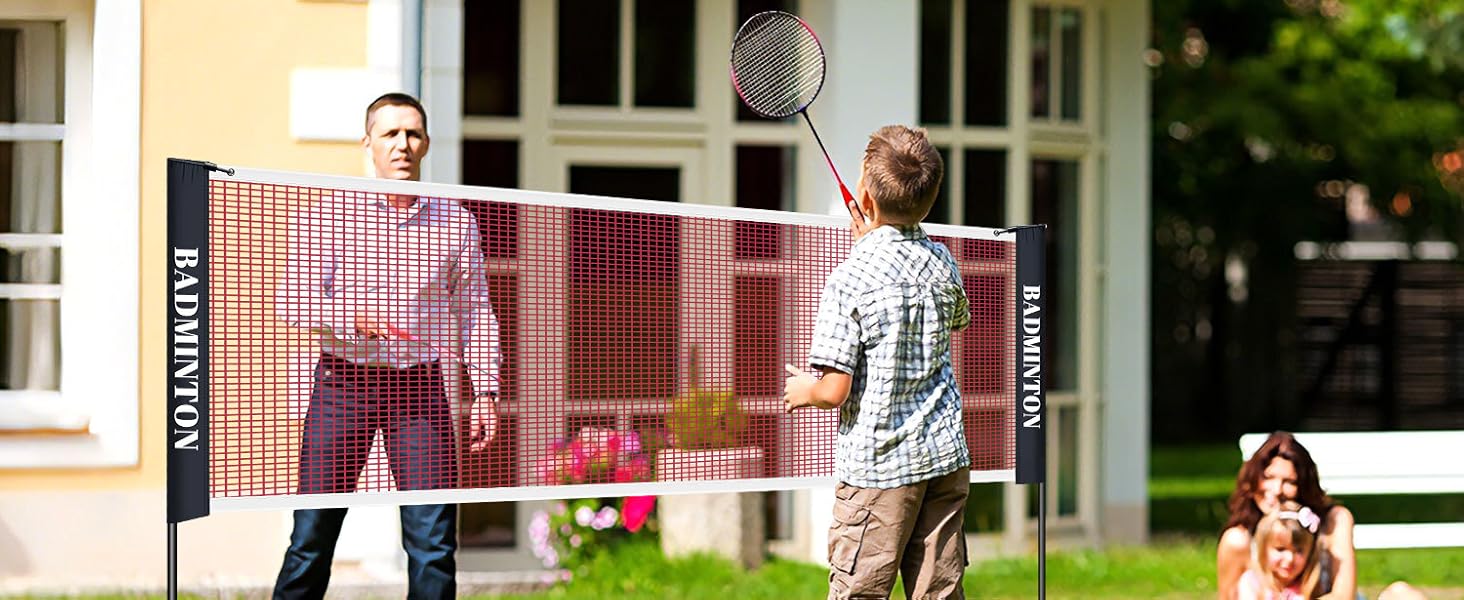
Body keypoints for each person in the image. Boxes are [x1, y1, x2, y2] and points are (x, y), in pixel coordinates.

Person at [272, 92, 501, 599]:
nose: (402, 145)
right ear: (368, 144)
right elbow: (293, 302)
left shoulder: (457, 222)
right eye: (391, 134)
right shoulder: (327, 214)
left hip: (420, 391)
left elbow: (476, 310)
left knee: (434, 545)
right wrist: (352, 318)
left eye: (413, 134)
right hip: (342, 386)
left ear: (426, 145)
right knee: (311, 538)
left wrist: (484, 388)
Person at [783, 125, 971, 600]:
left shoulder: (850, 278)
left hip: (878, 473)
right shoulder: (942, 261)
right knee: (940, 592)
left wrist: (804, 389)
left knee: (859, 592)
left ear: (864, 196)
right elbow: (960, 318)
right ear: (929, 200)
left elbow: (833, 390)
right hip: (943, 461)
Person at [1218, 431, 1427, 600]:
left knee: (1402, 594)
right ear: (1253, 479)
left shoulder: (1334, 520)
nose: (1277, 489)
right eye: (1268, 477)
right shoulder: (1238, 540)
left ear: (1303, 485)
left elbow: (1344, 596)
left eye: (1289, 481)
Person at [1238, 502, 1325, 599]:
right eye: (1280, 549)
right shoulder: (1253, 583)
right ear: (1263, 548)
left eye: (1299, 551)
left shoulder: (1310, 586)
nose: (1290, 558)